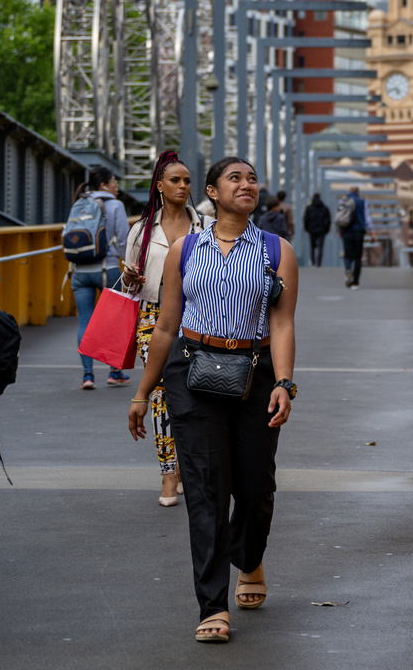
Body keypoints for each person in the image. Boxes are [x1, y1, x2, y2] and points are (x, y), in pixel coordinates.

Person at [127, 156, 298, 644]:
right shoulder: (186, 249)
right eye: (235, 178)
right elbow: (165, 325)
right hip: (193, 370)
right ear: (212, 192)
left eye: (252, 178)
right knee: (204, 490)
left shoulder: (276, 250)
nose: (247, 184)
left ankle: (250, 558)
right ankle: (212, 604)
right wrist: (143, 392)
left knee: (256, 486)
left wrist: (284, 383)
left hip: (255, 375)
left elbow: (283, 322)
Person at [120, 150, 207, 508]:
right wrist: (129, 276)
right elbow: (129, 283)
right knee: (159, 392)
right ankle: (168, 474)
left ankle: (187, 467)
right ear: (159, 185)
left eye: (187, 180)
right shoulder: (142, 230)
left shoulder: (204, 227)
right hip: (152, 319)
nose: (183, 186)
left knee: (193, 392)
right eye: (175, 180)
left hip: (196, 317)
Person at [70, 165, 132, 390]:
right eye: (114, 181)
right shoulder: (116, 205)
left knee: (84, 321)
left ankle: (88, 375)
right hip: (108, 269)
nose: (117, 186)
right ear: (104, 184)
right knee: (113, 322)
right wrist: (131, 265)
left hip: (80, 271)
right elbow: (124, 239)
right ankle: (114, 371)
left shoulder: (79, 203)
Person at [338, 186, 370, 289]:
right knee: (357, 257)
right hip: (359, 231)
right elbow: (367, 217)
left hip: (346, 231)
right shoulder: (362, 202)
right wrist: (372, 231)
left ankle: (348, 270)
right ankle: (355, 282)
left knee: (348, 255)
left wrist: (339, 229)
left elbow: (340, 216)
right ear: (358, 192)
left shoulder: (342, 201)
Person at [301, 193, 330, 267]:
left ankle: (313, 262)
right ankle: (319, 263)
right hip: (321, 230)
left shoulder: (309, 208)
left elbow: (306, 219)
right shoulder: (325, 208)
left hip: (312, 229)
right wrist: (326, 229)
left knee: (312, 247)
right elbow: (328, 220)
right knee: (320, 247)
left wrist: (307, 228)